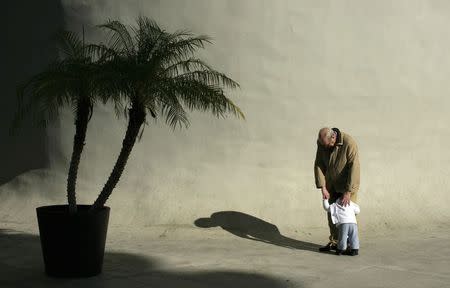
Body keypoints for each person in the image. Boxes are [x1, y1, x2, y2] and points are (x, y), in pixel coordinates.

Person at [314, 127, 360, 252]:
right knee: (332, 214)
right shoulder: (322, 143)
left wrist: (348, 191)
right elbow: (318, 164)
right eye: (323, 144)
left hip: (347, 185)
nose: (325, 147)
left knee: (348, 215)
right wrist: (323, 187)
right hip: (331, 185)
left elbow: (354, 168)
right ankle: (335, 242)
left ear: (333, 137)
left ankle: (350, 245)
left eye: (327, 145)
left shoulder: (349, 143)